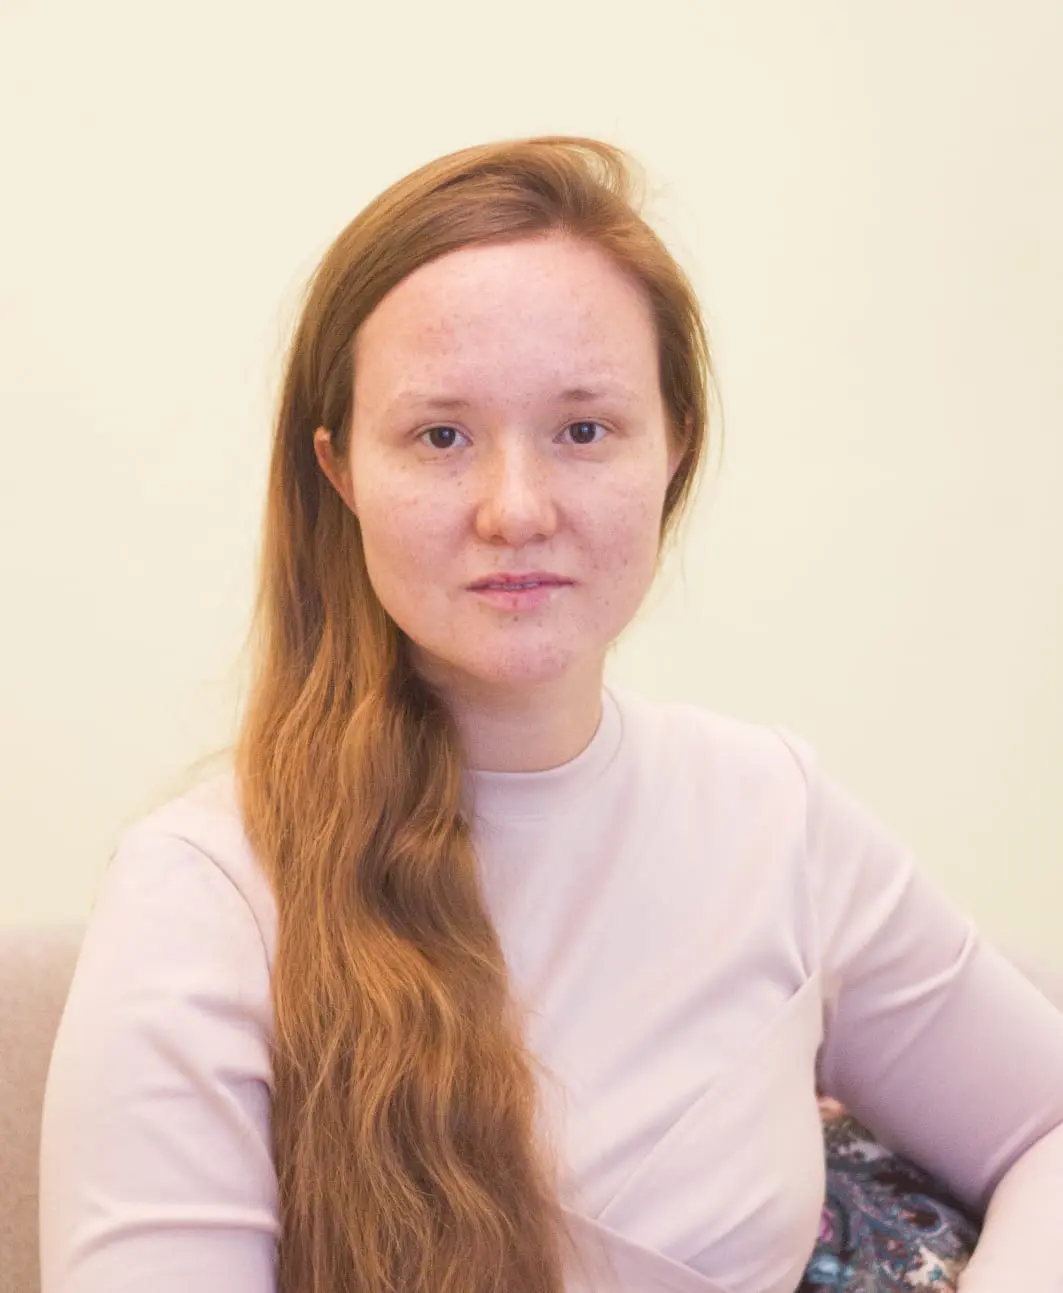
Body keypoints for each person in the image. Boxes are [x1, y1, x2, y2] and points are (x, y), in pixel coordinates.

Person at [38, 135, 1063, 1293]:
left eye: (583, 430)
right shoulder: (201, 896)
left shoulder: (774, 813)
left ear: (673, 447)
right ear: (338, 472)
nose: (515, 510)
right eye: (440, 436)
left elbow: (1044, 1128)